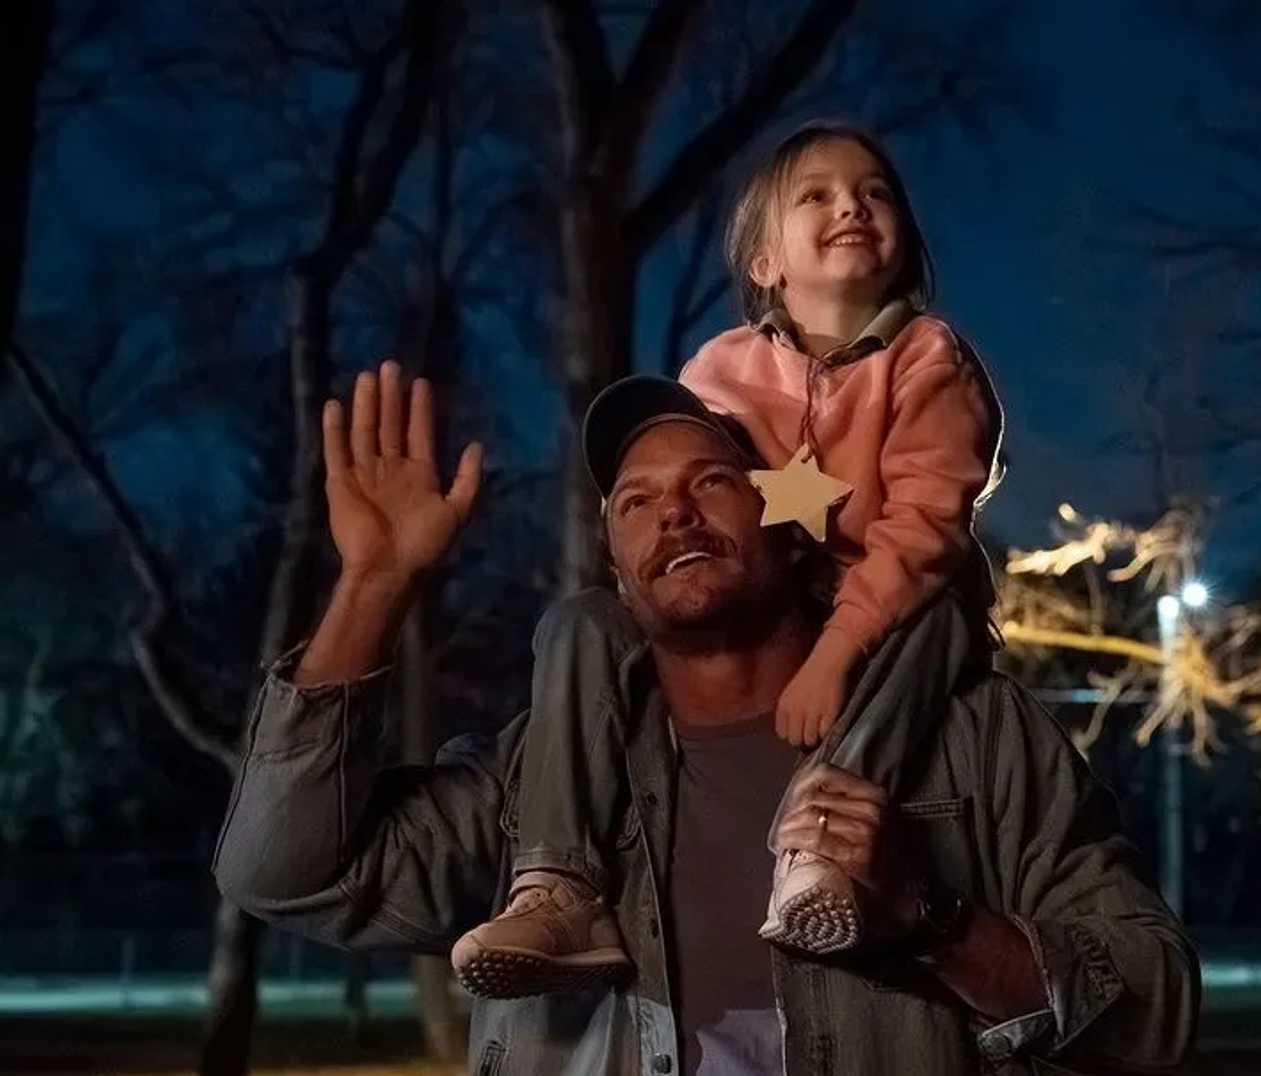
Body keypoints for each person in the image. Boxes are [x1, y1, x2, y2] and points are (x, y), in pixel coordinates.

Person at [213, 362, 1199, 1075]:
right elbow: (282, 869)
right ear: (618, 572)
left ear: (790, 523)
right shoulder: (541, 774)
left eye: (711, 482)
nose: (672, 512)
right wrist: (376, 584)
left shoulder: (970, 736)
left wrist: (927, 915)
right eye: (634, 501)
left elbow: (1154, 1006)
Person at [454, 121, 1005, 997]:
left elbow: (925, 524)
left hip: (896, 606)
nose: (850, 205)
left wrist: (836, 650)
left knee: (938, 617)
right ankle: (559, 884)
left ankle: (820, 842)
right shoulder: (720, 369)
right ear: (764, 264)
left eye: (874, 191)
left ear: (903, 240)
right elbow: (684, 495)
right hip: (772, 600)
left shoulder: (927, 360)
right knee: (578, 622)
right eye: (815, 195)